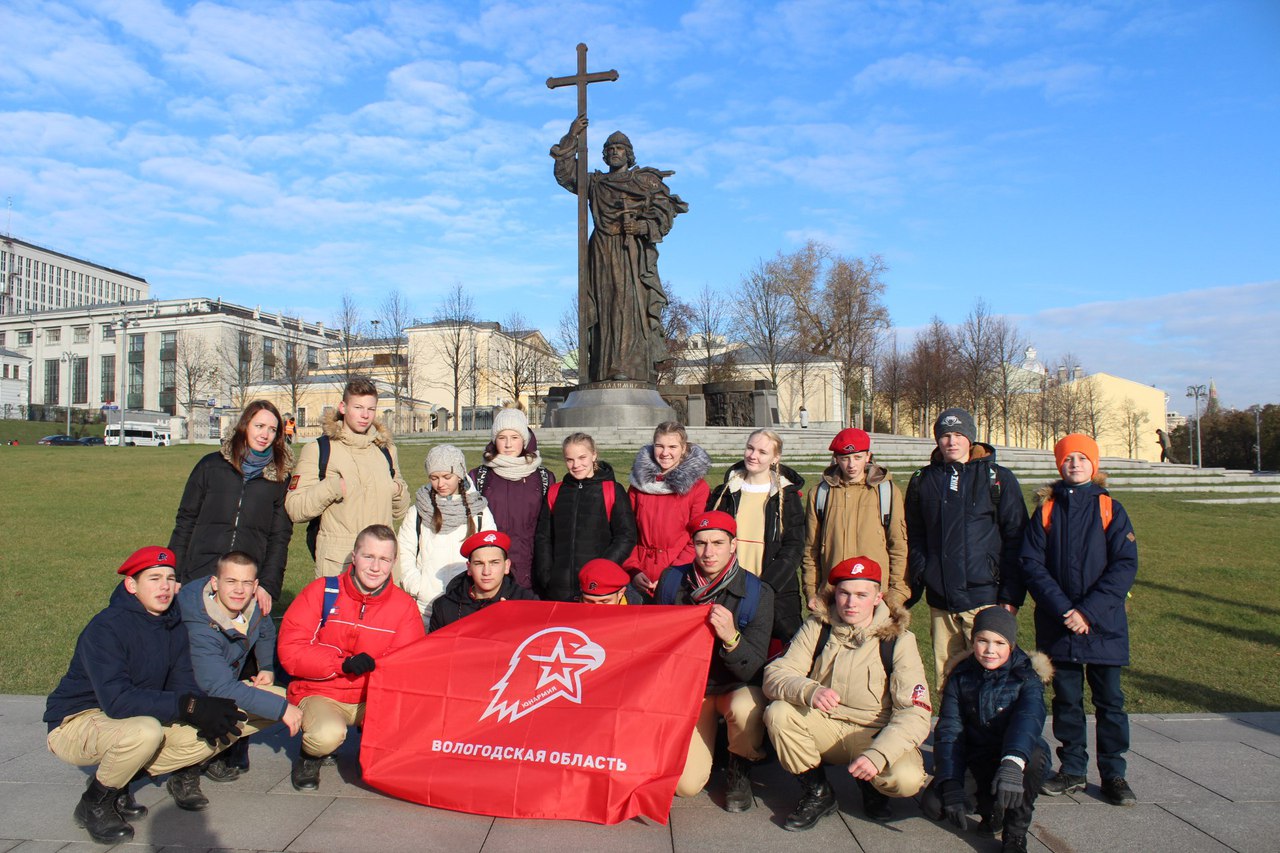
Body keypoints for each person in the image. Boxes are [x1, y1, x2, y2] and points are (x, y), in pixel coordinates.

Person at [45, 547, 246, 843]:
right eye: (153, 578)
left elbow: (182, 686)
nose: (164, 586)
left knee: (211, 736)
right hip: (76, 720)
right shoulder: (106, 627)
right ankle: (95, 803)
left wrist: (203, 707)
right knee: (146, 731)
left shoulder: (174, 624)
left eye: (169, 578)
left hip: (129, 718)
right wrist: (187, 706)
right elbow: (117, 701)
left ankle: (119, 782)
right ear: (131, 585)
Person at [763, 556, 930, 831]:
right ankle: (818, 792)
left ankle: (872, 785)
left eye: (861, 595)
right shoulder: (818, 627)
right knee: (779, 712)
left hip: (873, 732)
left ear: (878, 597)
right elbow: (775, 675)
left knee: (907, 778)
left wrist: (879, 755)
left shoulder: (899, 640)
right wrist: (808, 690)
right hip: (825, 724)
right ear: (834, 594)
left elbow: (915, 711)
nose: (851, 603)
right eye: (844, 593)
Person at [1021, 433, 1139, 807]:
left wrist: (1087, 611)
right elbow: (1031, 563)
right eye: (1068, 458)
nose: (1074, 463)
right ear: (1059, 464)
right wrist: (1065, 611)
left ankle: (1114, 774)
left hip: (1103, 624)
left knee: (1110, 702)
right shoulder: (1046, 509)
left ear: (1093, 465)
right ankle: (1072, 769)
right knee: (1067, 700)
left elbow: (1124, 565)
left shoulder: (1111, 509)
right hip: (1060, 625)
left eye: (1081, 458)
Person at [277, 524, 425, 791]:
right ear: (354, 556)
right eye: (368, 556)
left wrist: (375, 667)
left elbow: (408, 665)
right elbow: (291, 649)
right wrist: (340, 664)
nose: (375, 567)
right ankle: (311, 756)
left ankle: (372, 751)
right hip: (322, 691)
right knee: (327, 735)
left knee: (415, 725)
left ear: (393, 563)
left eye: (384, 559)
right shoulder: (323, 591)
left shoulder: (404, 607)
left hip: (373, 696)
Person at [550, 115, 688, 384]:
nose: (614, 152)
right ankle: (601, 369)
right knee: (603, 308)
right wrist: (571, 136)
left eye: (619, 148)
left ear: (629, 153)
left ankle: (625, 366)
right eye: (610, 149)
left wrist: (643, 227)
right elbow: (565, 175)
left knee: (626, 307)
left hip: (629, 252)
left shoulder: (643, 182)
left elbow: (666, 212)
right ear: (604, 155)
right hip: (600, 250)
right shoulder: (596, 183)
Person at [652, 511, 774, 812]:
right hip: (691, 689)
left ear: (734, 545)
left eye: (718, 543)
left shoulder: (757, 592)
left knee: (746, 708)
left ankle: (739, 766)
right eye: (701, 543)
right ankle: (715, 747)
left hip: (736, 685)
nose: (709, 553)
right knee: (685, 786)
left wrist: (732, 638)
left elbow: (755, 667)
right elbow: (655, 641)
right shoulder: (671, 581)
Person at [905, 408, 1028, 683]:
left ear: (970, 439)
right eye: (945, 435)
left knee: (988, 674)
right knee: (946, 675)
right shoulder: (922, 481)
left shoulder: (999, 478)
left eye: (959, 434)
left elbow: (1016, 537)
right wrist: (925, 572)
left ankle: (987, 728)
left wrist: (1011, 596)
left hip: (985, 597)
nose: (951, 441)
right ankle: (951, 726)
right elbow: (915, 535)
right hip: (941, 600)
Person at [930, 606, 1051, 853]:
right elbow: (950, 731)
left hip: (1010, 756)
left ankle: (1015, 834)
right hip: (975, 759)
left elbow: (1028, 720)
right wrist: (951, 782)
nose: (990, 650)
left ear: (1012, 645)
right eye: (982, 640)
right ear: (973, 640)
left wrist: (1013, 762)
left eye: (999, 642)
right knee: (934, 804)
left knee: (1035, 755)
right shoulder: (959, 677)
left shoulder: (1027, 678)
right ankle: (990, 811)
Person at [177, 551, 303, 783]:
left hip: (224, 687)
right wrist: (281, 709)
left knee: (284, 697)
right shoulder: (201, 624)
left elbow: (265, 628)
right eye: (231, 581)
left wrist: (266, 666)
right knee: (279, 705)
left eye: (246, 583)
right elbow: (219, 688)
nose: (239, 590)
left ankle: (213, 750)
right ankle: (185, 770)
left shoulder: (251, 605)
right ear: (215, 582)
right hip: (190, 698)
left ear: (255, 586)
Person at [169, 400, 293, 618]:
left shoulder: (280, 478)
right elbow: (185, 521)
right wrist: (175, 574)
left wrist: (268, 584)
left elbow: (280, 537)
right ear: (245, 425)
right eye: (259, 426)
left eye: (272, 429)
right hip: (202, 571)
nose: (265, 434)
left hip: (245, 578)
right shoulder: (211, 466)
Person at [285, 376, 410, 578]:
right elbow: (295, 509)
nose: (365, 415)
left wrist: (397, 490)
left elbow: (400, 511)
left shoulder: (386, 450)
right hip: (340, 563)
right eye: (358, 407)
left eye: (370, 409)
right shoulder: (319, 450)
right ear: (343, 407)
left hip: (382, 563)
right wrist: (332, 487)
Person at [707, 428, 806, 642]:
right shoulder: (725, 492)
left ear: (775, 458)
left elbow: (794, 547)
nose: (753, 456)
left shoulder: (787, 496)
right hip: (728, 587)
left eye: (762, 452)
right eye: (750, 448)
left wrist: (766, 587)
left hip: (773, 590)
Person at [801, 428, 908, 615]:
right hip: (833, 596)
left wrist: (896, 594)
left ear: (868, 456)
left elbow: (898, 546)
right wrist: (811, 592)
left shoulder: (887, 493)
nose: (851, 465)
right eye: (845, 458)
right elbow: (811, 549)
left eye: (857, 458)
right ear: (836, 458)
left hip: (874, 596)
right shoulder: (820, 494)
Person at [397, 444, 496, 623]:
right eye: (434, 478)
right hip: (425, 607)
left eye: (446, 477)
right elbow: (403, 551)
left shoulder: (480, 512)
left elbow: (491, 554)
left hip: (466, 605)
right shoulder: (418, 511)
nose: (440, 484)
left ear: (459, 474)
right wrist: (417, 586)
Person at [533, 432, 637, 602]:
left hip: (597, 589)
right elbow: (543, 537)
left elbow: (626, 536)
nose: (576, 465)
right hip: (559, 589)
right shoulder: (555, 491)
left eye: (582, 457)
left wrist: (601, 569)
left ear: (594, 455)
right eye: (570, 460)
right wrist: (546, 575)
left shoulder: (612, 490)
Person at [468, 408, 556, 589]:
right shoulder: (479, 476)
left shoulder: (544, 478)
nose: (508, 444)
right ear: (494, 440)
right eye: (502, 437)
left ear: (524, 440)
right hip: (490, 572)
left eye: (514, 437)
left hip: (531, 571)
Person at [625, 421, 712, 594]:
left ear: (683, 448)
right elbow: (628, 532)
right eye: (659, 446)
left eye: (672, 447)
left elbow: (697, 535)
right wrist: (633, 569)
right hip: (640, 575)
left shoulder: (698, 488)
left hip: (679, 572)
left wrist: (671, 575)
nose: (665, 453)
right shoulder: (638, 485)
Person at [428, 530, 538, 631]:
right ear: (469, 568)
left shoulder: (527, 603)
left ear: (506, 566)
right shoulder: (445, 607)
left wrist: (515, 622)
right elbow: (434, 650)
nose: (486, 572)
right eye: (479, 563)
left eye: (494, 563)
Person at [578, 557, 646, 604]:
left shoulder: (642, 611)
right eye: (589, 601)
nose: (596, 607)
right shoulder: (569, 608)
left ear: (620, 593)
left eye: (604, 602)